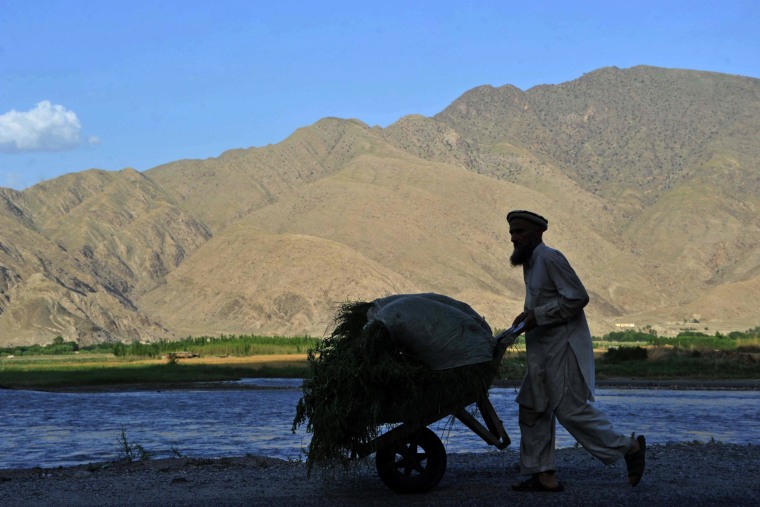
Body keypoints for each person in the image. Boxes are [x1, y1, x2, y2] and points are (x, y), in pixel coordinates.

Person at [506, 209, 646, 492]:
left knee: (570, 410)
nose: (514, 238)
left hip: (564, 348)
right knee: (532, 406)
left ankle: (629, 447)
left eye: (520, 232)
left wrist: (538, 315)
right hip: (542, 350)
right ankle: (543, 475)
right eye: (512, 233)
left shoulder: (550, 258)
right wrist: (527, 315)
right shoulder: (530, 263)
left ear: (538, 233)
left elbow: (578, 297)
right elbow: (545, 300)